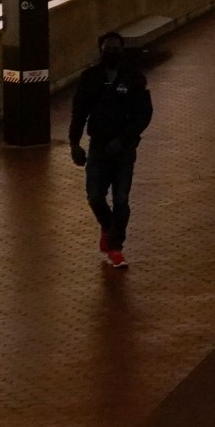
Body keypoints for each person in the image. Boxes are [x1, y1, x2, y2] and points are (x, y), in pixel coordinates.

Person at [71, 32, 155, 268]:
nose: (112, 52)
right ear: (101, 50)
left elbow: (144, 114)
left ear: (122, 49)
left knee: (121, 199)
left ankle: (115, 247)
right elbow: (79, 113)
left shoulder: (134, 79)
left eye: (116, 48)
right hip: (98, 146)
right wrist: (74, 142)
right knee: (95, 197)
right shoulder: (89, 78)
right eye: (108, 48)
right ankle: (109, 227)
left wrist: (124, 138)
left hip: (124, 150)